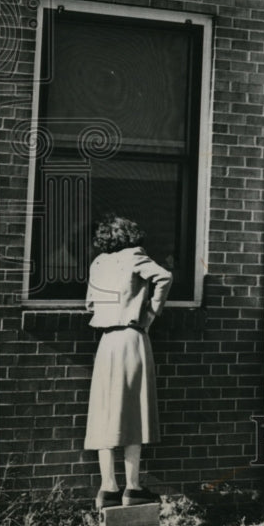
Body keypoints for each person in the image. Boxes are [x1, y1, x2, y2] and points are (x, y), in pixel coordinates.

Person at [84, 214, 173, 509]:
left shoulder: (98, 263)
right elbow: (165, 276)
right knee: (133, 413)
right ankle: (132, 487)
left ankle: (107, 487)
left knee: (104, 411)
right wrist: (151, 312)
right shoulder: (135, 256)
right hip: (132, 338)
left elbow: (90, 303)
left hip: (106, 341)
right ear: (130, 234)